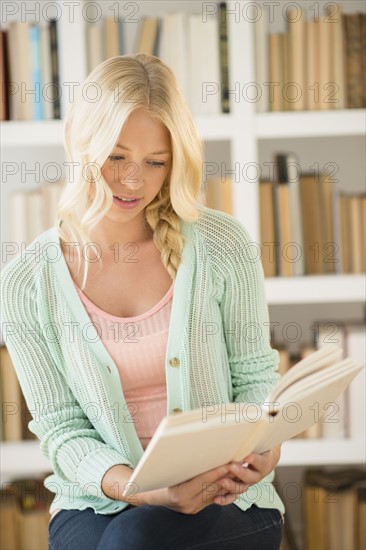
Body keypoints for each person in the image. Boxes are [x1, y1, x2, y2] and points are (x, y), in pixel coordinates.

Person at [0, 54, 285, 550]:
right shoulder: (26, 282)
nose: (133, 180)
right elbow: (61, 428)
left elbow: (256, 380)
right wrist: (138, 488)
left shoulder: (222, 245)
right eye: (116, 156)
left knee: (133, 542)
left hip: (226, 497)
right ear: (78, 141)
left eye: (156, 162)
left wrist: (267, 448)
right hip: (97, 497)